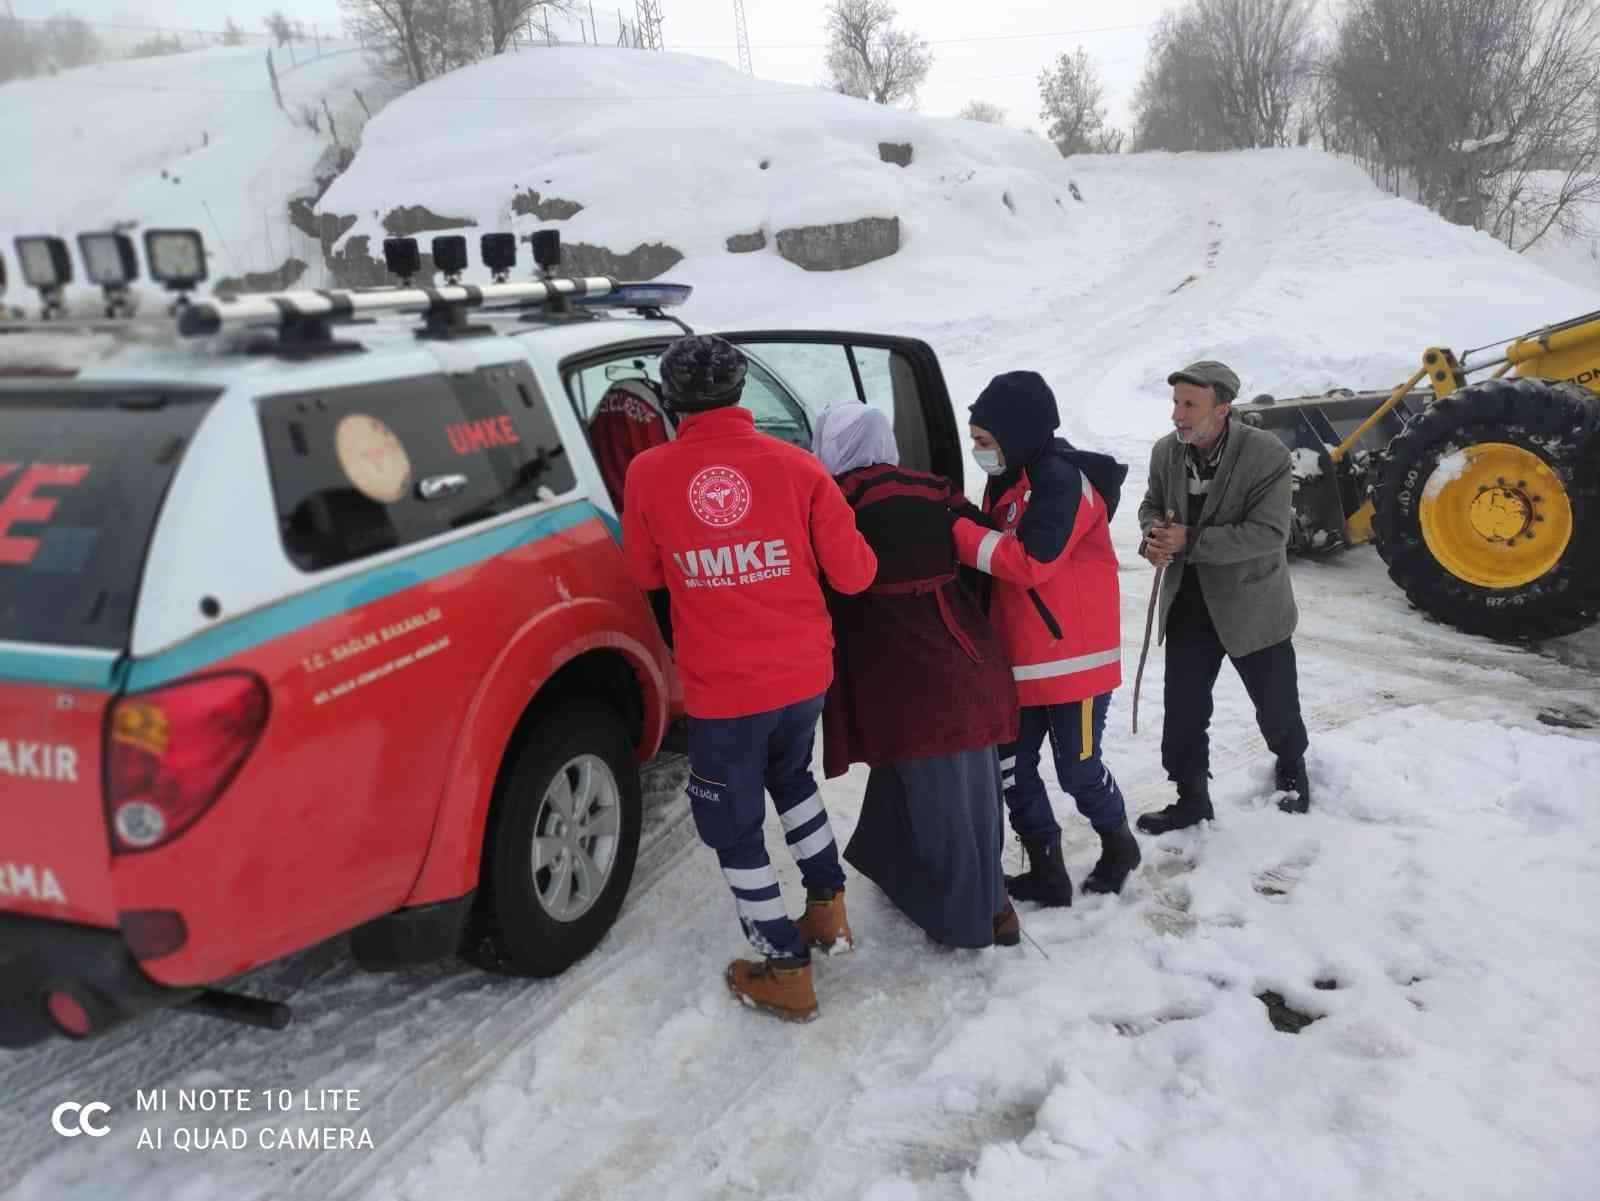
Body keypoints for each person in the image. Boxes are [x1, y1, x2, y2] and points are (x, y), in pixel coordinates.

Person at [621, 335, 878, 1023]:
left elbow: (644, 574)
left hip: (726, 688)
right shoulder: (799, 467)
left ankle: (784, 965)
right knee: (790, 780)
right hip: (803, 675)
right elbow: (857, 573)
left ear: (671, 402)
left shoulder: (648, 472)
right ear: (741, 394)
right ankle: (827, 912)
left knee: (732, 824)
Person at [811, 404, 1022, 949]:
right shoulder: (933, 488)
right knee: (966, 789)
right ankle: (967, 893)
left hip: (907, 674)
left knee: (940, 797)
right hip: (966, 655)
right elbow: (987, 550)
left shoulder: (834, 501)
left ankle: (975, 918)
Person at [948, 371, 1140, 908]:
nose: (978, 451)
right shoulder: (1009, 479)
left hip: (1071, 663)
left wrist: (954, 529)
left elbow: (1029, 562)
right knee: (1012, 770)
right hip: (1020, 661)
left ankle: (1119, 845)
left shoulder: (1063, 481)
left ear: (1015, 431)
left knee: (1078, 770)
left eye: (984, 441)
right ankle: (1048, 871)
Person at [1135, 359, 1311, 835]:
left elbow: (1269, 534)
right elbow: (1152, 505)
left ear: (1223, 409)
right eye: (1175, 403)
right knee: (1184, 710)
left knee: (1276, 704)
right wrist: (1154, 534)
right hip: (1189, 602)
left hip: (1253, 604)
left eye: (1190, 405)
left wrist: (1188, 540)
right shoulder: (1165, 452)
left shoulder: (1266, 455)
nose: (1178, 415)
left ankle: (1292, 767)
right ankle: (1191, 798)